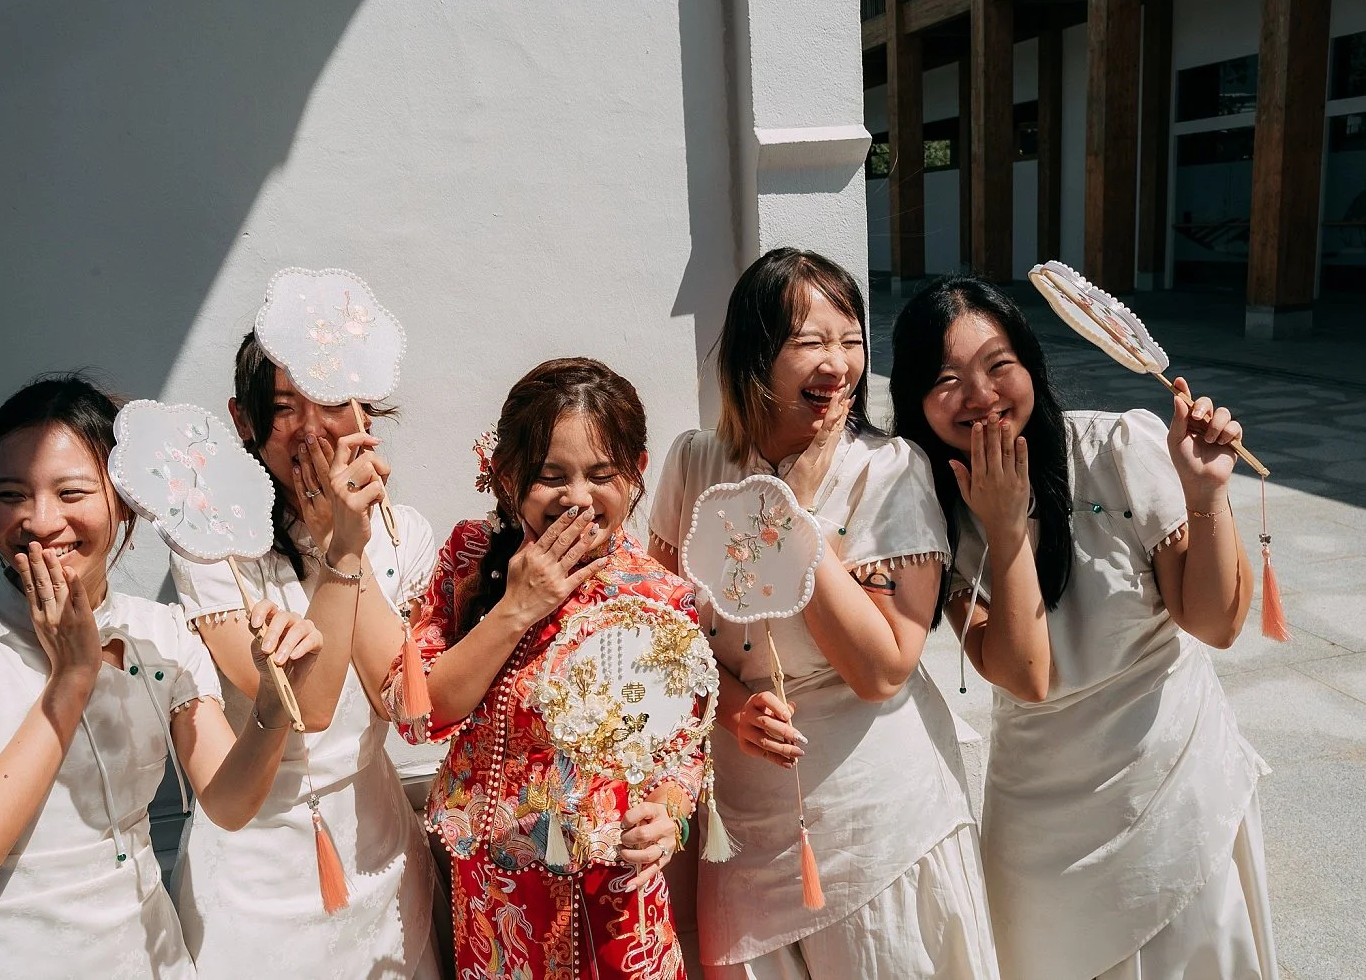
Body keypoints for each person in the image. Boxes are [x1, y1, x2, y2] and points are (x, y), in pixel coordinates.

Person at [0, 375, 321, 979]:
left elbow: (229, 802)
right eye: (9, 494)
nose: (39, 521)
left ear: (124, 503)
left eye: (72, 492)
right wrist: (71, 677)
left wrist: (270, 704)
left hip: (145, 958)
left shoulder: (163, 633)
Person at [890, 275, 1276, 980]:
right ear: (915, 399)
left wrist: (1205, 492)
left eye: (998, 365)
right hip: (1040, 824)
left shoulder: (1116, 449)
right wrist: (1006, 530)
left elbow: (1215, 624)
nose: (980, 395)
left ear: (1031, 365)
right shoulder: (933, 514)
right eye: (946, 380)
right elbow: (1026, 677)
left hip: (1172, 788)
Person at [649, 248, 998, 979]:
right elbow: (664, 639)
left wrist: (793, 518)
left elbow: (881, 669)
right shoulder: (694, 463)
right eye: (811, 342)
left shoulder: (888, 470)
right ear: (755, 353)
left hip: (877, 822)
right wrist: (734, 710)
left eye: (851, 341)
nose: (838, 365)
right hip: (740, 826)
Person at [386, 357, 705, 979]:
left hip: (615, 886)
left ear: (637, 471)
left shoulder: (658, 596)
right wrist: (516, 608)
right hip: (498, 894)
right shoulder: (472, 557)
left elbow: (682, 749)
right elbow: (415, 715)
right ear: (508, 475)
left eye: (602, 475)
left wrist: (669, 818)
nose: (578, 498)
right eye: (550, 476)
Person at [167, 332, 441, 978]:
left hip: (378, 847)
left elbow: (398, 700)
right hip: (258, 870)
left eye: (331, 401)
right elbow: (306, 709)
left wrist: (350, 542)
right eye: (285, 407)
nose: (312, 429)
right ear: (244, 420)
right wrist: (339, 551)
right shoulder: (211, 548)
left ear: (364, 406)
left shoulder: (403, 533)